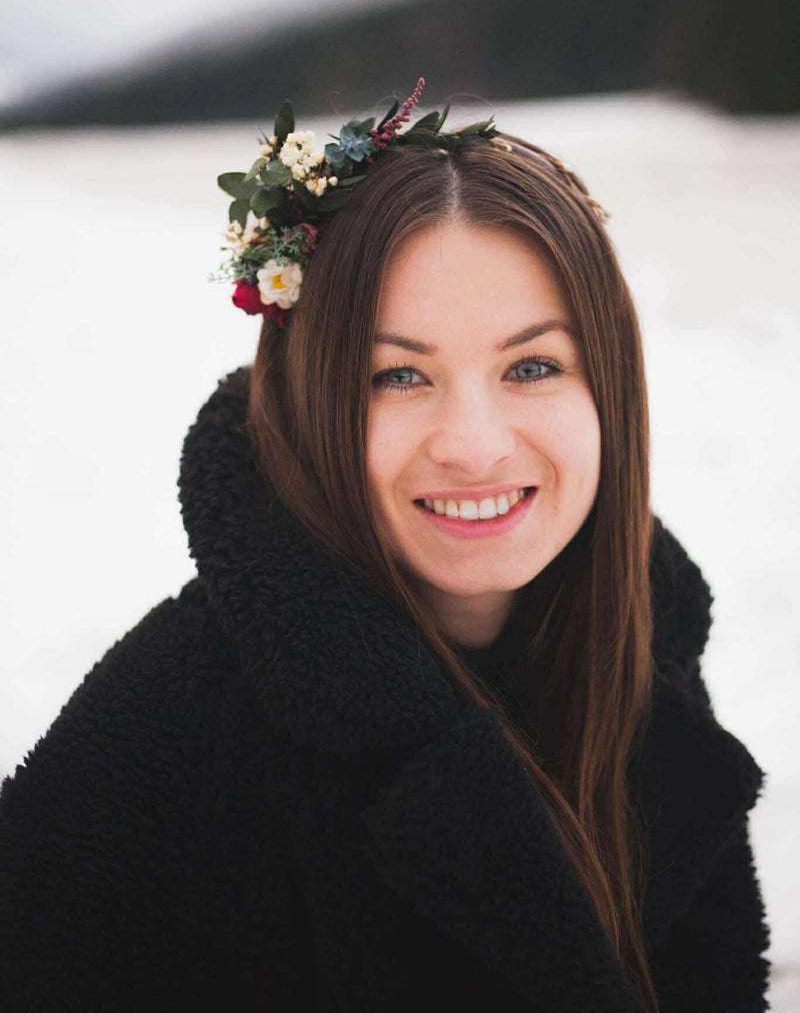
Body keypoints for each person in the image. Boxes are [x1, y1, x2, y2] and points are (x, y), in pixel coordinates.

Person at [0, 79, 770, 1011]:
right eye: (397, 375)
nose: (475, 445)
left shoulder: (645, 658)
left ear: (610, 389)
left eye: (532, 365)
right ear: (310, 402)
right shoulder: (161, 735)